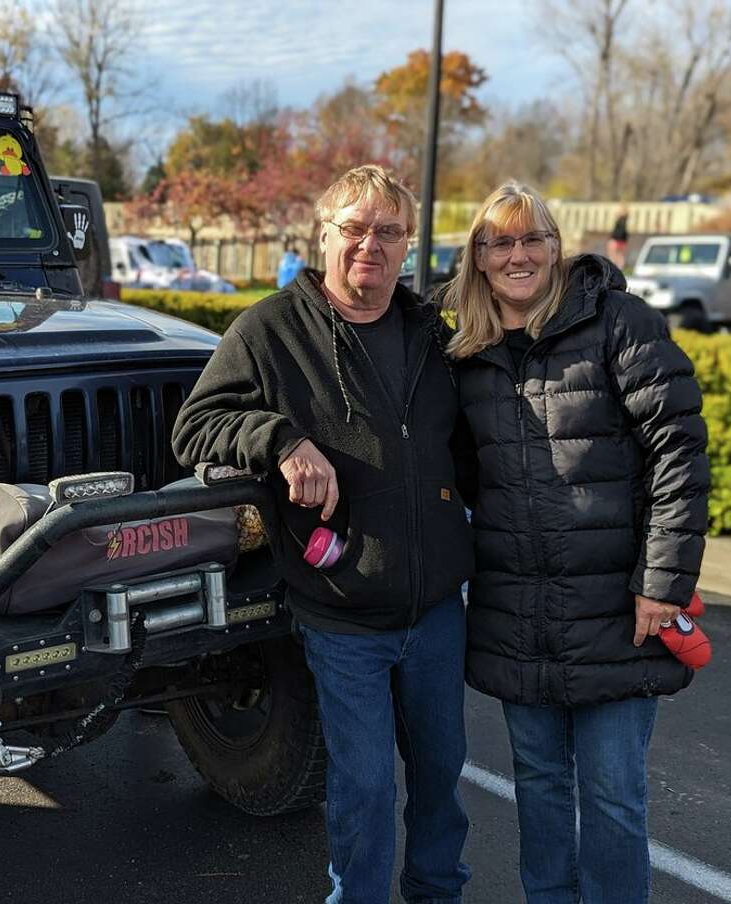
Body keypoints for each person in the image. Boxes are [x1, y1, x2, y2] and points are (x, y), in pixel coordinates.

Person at [173, 164, 474, 904]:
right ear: (324, 236)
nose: (371, 244)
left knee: (440, 776)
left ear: (408, 245)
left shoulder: (431, 334)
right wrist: (280, 441)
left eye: (389, 232)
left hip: (436, 608)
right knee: (366, 788)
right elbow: (195, 428)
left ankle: (438, 895)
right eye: (356, 229)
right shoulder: (270, 329)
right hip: (342, 612)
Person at [445, 181, 709, 904]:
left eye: (535, 238)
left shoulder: (619, 322)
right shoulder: (465, 348)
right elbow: (462, 475)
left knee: (614, 795)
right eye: (502, 242)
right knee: (538, 788)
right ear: (479, 256)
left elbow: (679, 451)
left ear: (558, 247)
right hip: (517, 611)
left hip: (617, 607)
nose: (520, 255)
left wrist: (664, 580)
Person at [607, 205, 629, 269]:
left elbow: (618, 232)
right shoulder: (624, 220)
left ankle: (612, 268)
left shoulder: (621, 220)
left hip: (616, 240)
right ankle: (619, 268)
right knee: (620, 256)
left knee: (613, 255)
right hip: (622, 240)